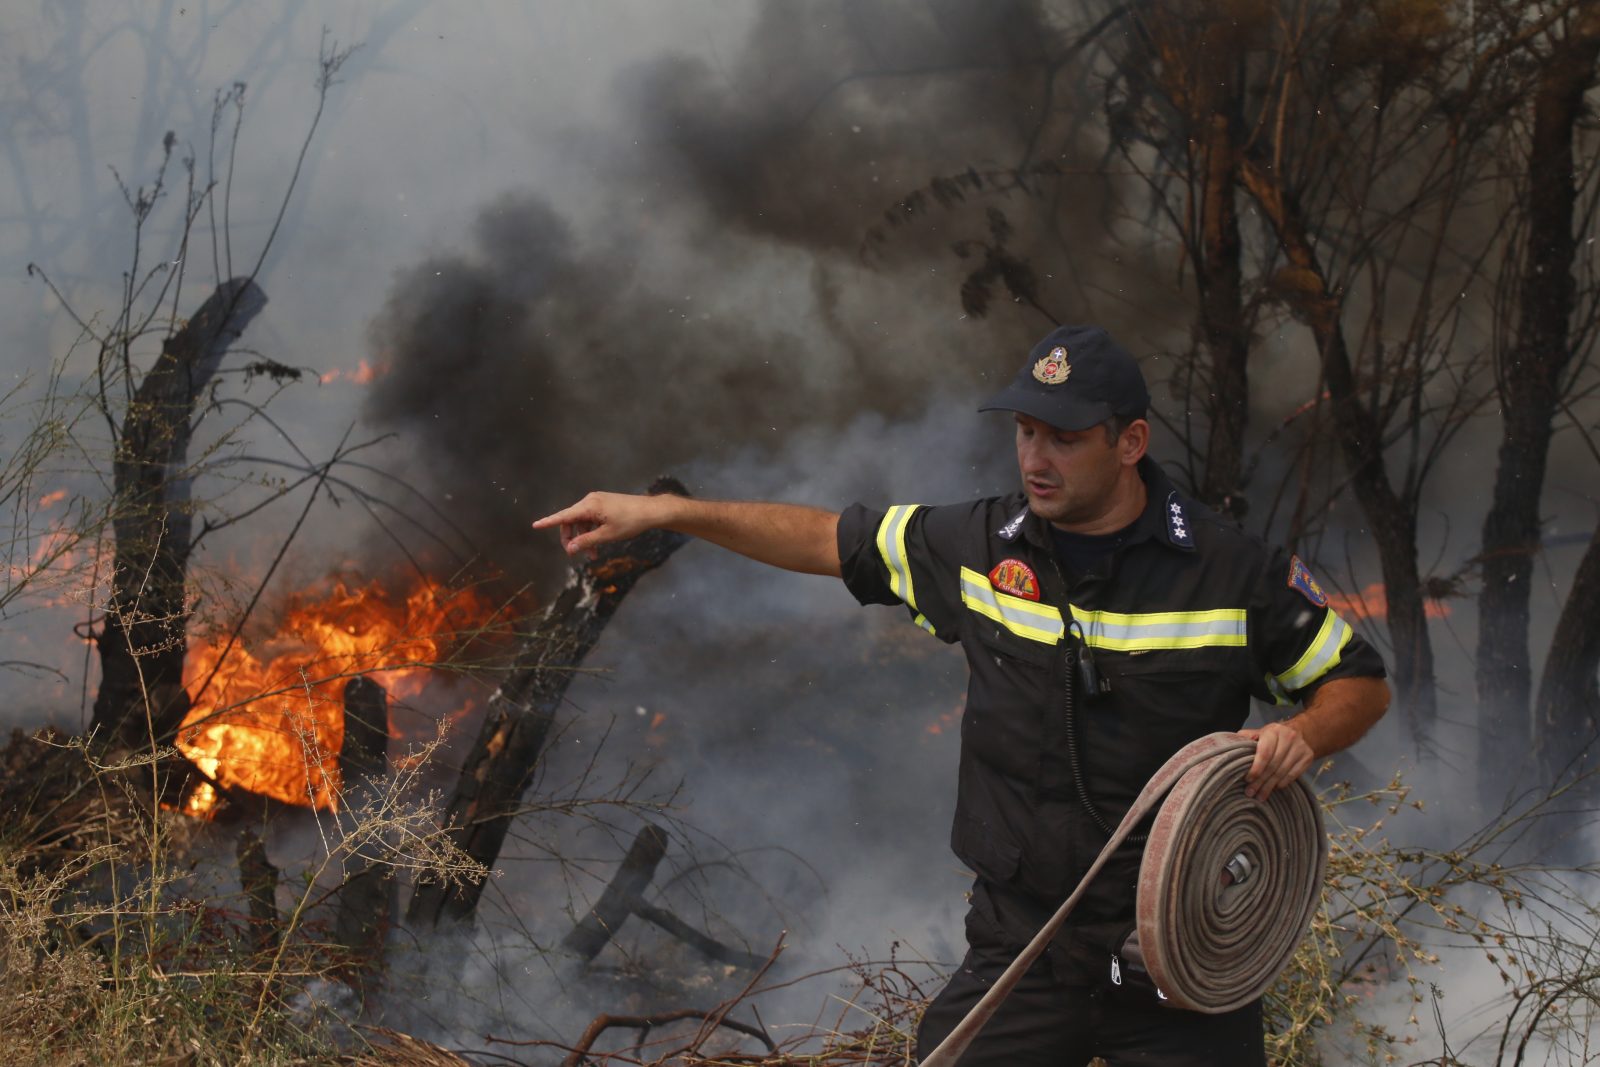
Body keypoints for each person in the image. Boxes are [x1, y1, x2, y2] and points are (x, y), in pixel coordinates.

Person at [533, 324, 1389, 1066]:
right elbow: (828, 540)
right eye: (1024, 431)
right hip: (1025, 949)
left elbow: (1358, 681)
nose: (1035, 458)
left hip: (1180, 959)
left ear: (1130, 441)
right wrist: (669, 514)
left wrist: (1305, 734)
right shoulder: (979, 545)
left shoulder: (1230, 571)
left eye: (1063, 437)